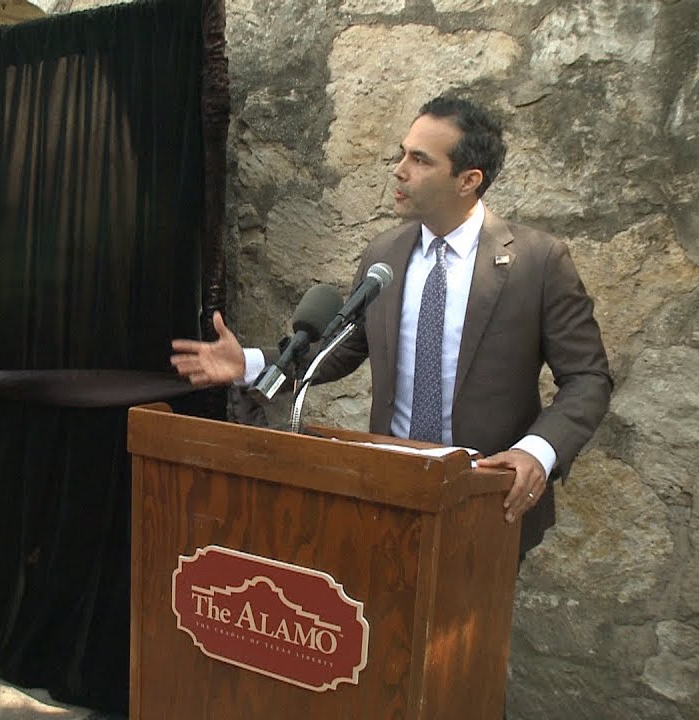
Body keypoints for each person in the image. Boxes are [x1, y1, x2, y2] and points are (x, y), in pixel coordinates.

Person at [170, 96, 612, 557]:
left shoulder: (537, 262)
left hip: (486, 501)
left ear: (468, 180)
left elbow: (588, 378)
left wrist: (536, 453)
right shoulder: (384, 256)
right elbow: (340, 349)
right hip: (387, 495)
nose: (399, 170)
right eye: (402, 154)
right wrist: (253, 363)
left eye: (419, 160)